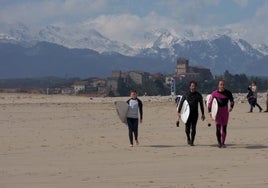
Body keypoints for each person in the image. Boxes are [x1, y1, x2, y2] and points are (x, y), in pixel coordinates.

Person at [177, 81, 205, 146]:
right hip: (187, 114)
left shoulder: (198, 95)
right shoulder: (186, 94)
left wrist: (203, 114)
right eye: (192, 86)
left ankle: (192, 141)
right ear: (190, 87)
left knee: (194, 128)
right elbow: (181, 103)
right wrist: (179, 111)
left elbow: (201, 105)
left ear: (196, 87)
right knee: (187, 128)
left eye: (194, 86)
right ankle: (188, 138)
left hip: (195, 114)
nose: (193, 87)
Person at [208, 80, 234, 148]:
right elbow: (210, 102)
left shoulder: (228, 93)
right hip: (217, 111)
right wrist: (210, 111)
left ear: (224, 85)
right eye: (220, 84)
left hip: (225, 111)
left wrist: (231, 107)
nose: (222, 86)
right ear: (218, 85)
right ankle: (219, 143)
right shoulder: (214, 93)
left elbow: (232, 101)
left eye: (223, 84)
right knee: (218, 128)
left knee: (224, 128)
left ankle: (223, 142)